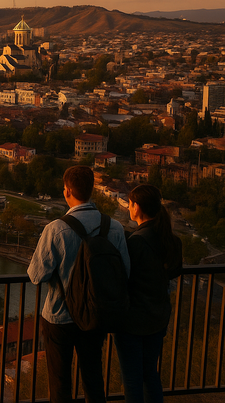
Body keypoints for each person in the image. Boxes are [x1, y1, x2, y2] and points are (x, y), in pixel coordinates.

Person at [28, 165, 130, 403]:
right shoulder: (114, 228)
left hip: (59, 316)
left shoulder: (55, 229)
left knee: (60, 383)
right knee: (93, 379)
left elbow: (35, 275)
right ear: (92, 191)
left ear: (67, 191)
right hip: (97, 315)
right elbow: (125, 270)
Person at [114, 184, 182, 403]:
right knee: (150, 374)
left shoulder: (137, 242)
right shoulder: (171, 239)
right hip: (158, 317)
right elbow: (174, 271)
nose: (129, 207)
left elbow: (125, 278)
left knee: (132, 380)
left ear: (138, 207)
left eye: (131, 203)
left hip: (134, 321)